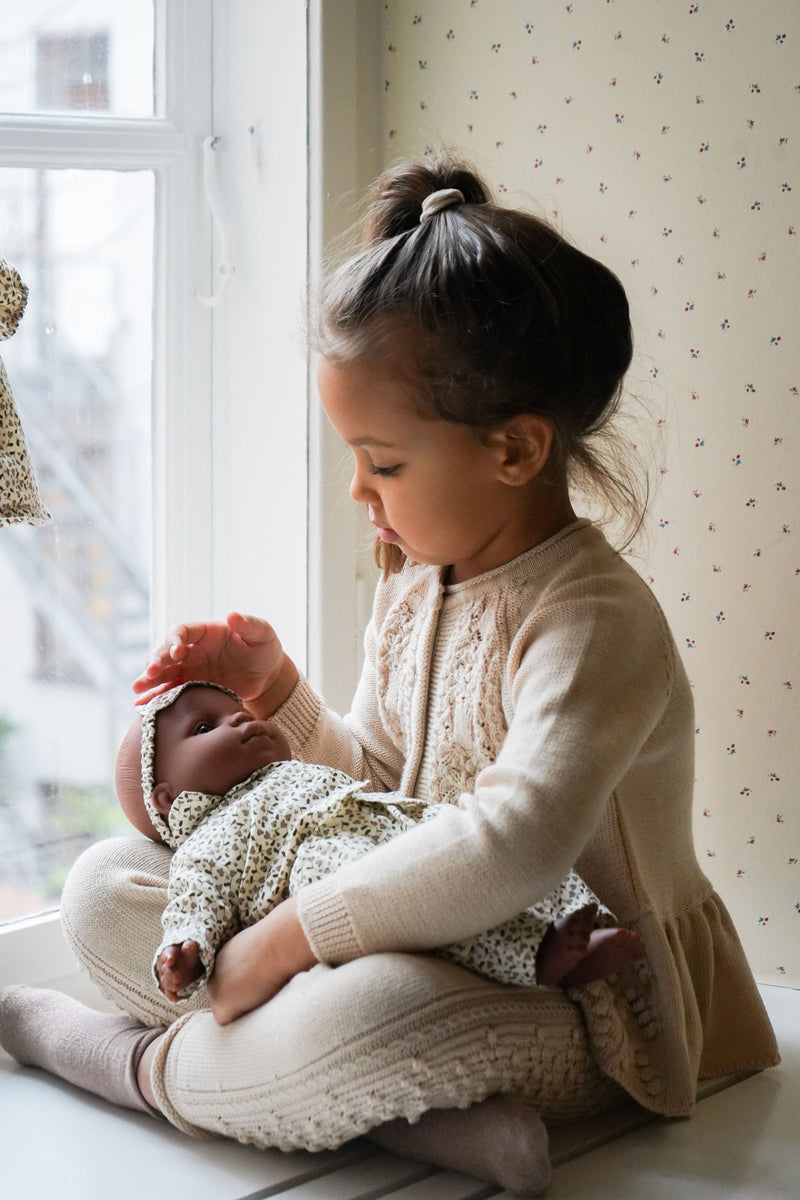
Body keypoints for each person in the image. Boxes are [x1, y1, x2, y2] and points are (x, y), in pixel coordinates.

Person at [0, 154, 779, 1198]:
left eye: (385, 463)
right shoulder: (416, 579)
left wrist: (286, 940)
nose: (359, 492)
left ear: (515, 450)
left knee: (368, 1018)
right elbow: (370, 786)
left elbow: (511, 845)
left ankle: (125, 1065)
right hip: (414, 941)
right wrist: (280, 694)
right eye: (353, 459)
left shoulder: (591, 619)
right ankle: (405, 1117)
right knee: (104, 888)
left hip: (578, 991)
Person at [116, 679, 644, 1005]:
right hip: (328, 872)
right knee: (418, 900)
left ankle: (576, 913)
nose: (237, 717)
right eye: (204, 727)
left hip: (389, 826)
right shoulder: (203, 843)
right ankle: (534, 954)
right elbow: (197, 898)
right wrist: (185, 948)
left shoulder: (285, 771)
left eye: (242, 712)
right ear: (167, 798)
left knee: (472, 839)